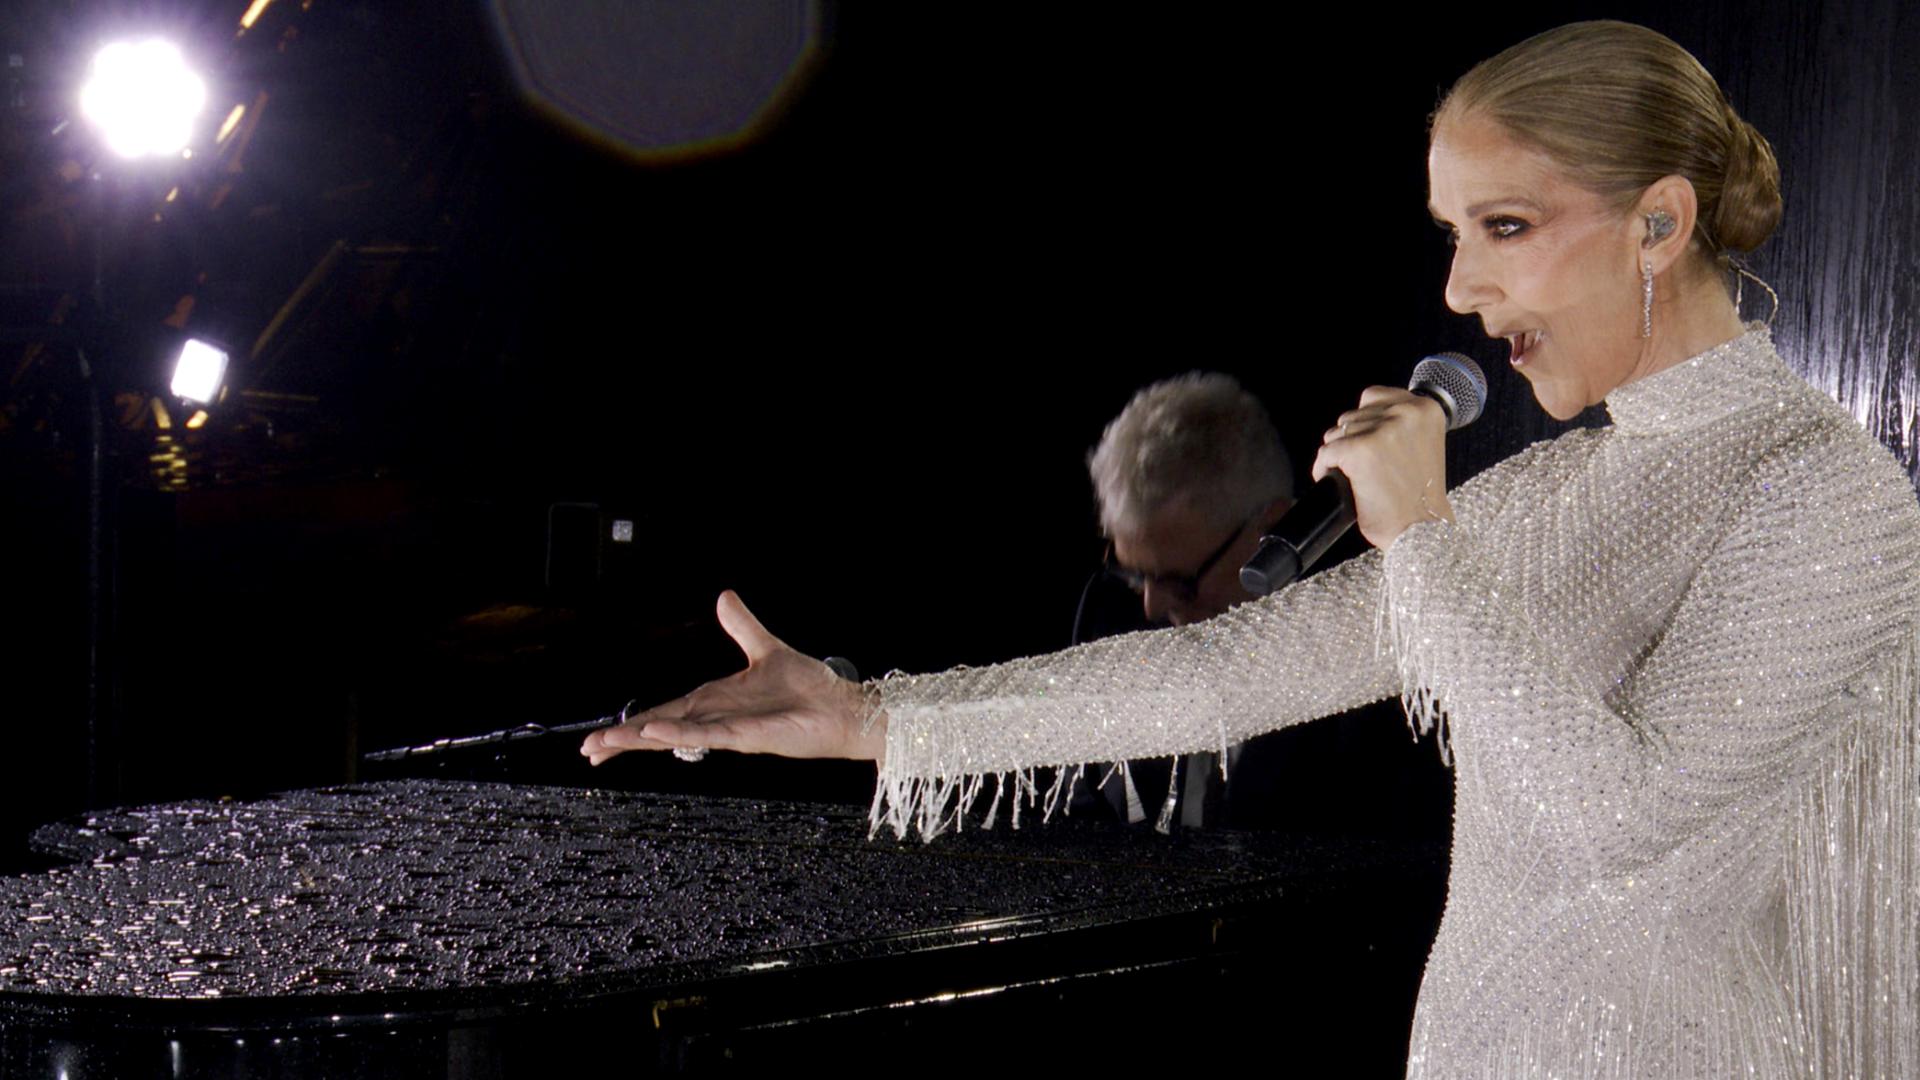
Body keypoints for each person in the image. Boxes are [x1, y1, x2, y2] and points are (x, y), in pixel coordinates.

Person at [584, 21, 1920, 1079]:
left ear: (1660, 223)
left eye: (1505, 227)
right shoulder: (1550, 494)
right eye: (1453, 235)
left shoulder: (1824, 493)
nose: (1460, 288)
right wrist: (872, 718)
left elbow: (1626, 822)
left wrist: (1420, 534)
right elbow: (1221, 675)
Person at [1075, 371, 1293, 828]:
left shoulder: (1371, 660)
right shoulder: (1107, 610)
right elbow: (1086, 812)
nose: (1151, 607)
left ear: (1271, 530)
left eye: (1180, 580)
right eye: (1136, 575)